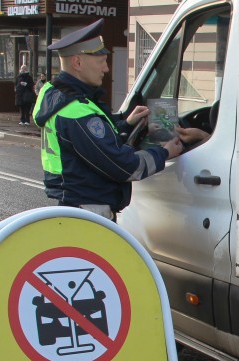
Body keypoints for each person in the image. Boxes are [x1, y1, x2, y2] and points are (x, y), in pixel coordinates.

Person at [32, 19, 183, 221]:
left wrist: (127, 123)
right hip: (90, 214)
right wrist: (164, 152)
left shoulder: (58, 97)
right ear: (78, 62)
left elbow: (96, 143)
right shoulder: (76, 112)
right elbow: (124, 166)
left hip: (75, 204)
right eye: (101, 62)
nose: (106, 69)